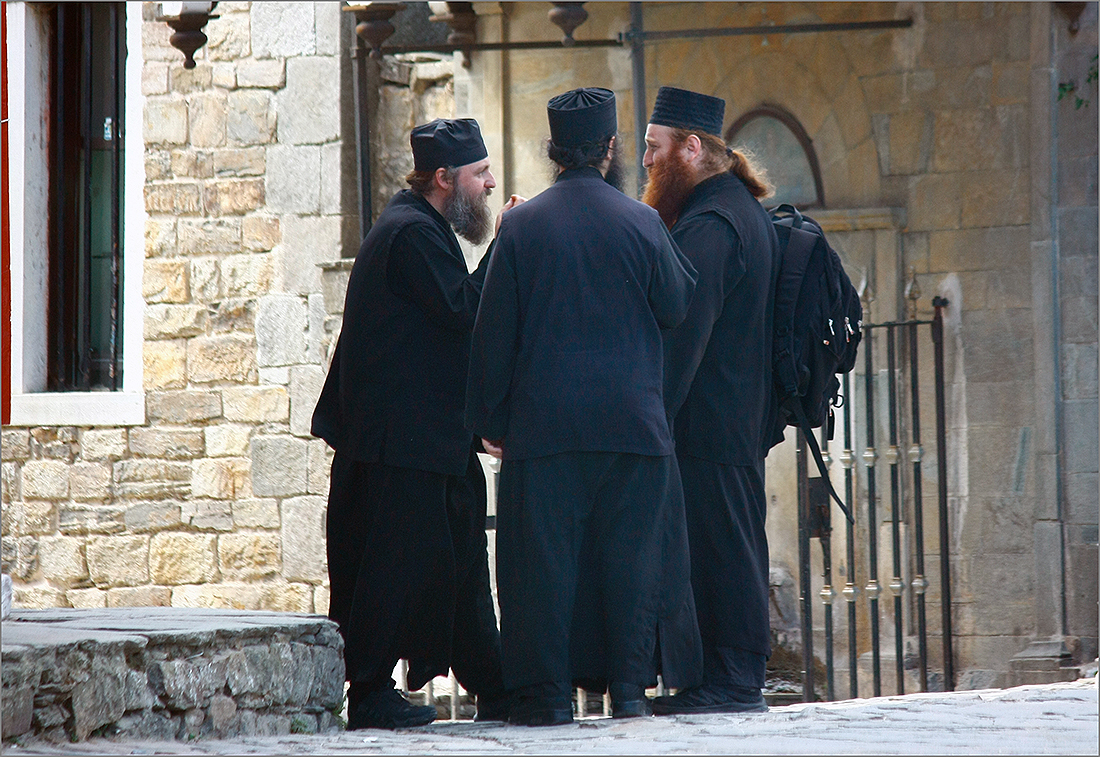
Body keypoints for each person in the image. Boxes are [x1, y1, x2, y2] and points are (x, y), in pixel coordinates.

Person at [466, 87, 703, 727]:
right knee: (630, 565)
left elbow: (494, 337)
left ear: (553, 151)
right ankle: (628, 693)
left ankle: (545, 699)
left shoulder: (519, 226)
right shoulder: (643, 223)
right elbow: (678, 306)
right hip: (632, 429)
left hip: (545, 434)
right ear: (608, 149)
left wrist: (491, 423)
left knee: (542, 571)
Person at [311, 118, 520, 730]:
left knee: (456, 570)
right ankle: (371, 692)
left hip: (424, 444)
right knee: (389, 571)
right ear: (443, 178)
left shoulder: (418, 227)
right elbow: (465, 310)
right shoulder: (410, 235)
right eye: (480, 176)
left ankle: (494, 685)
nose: (487, 187)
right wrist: (505, 242)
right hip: (398, 450)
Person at [641, 86, 780, 715]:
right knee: (724, 540)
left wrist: (651, 415)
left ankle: (732, 679)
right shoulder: (729, 209)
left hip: (713, 421)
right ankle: (724, 677)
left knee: (725, 546)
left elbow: (681, 334)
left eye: (654, 147)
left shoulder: (714, 224)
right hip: (727, 420)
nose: (646, 161)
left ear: (691, 148)